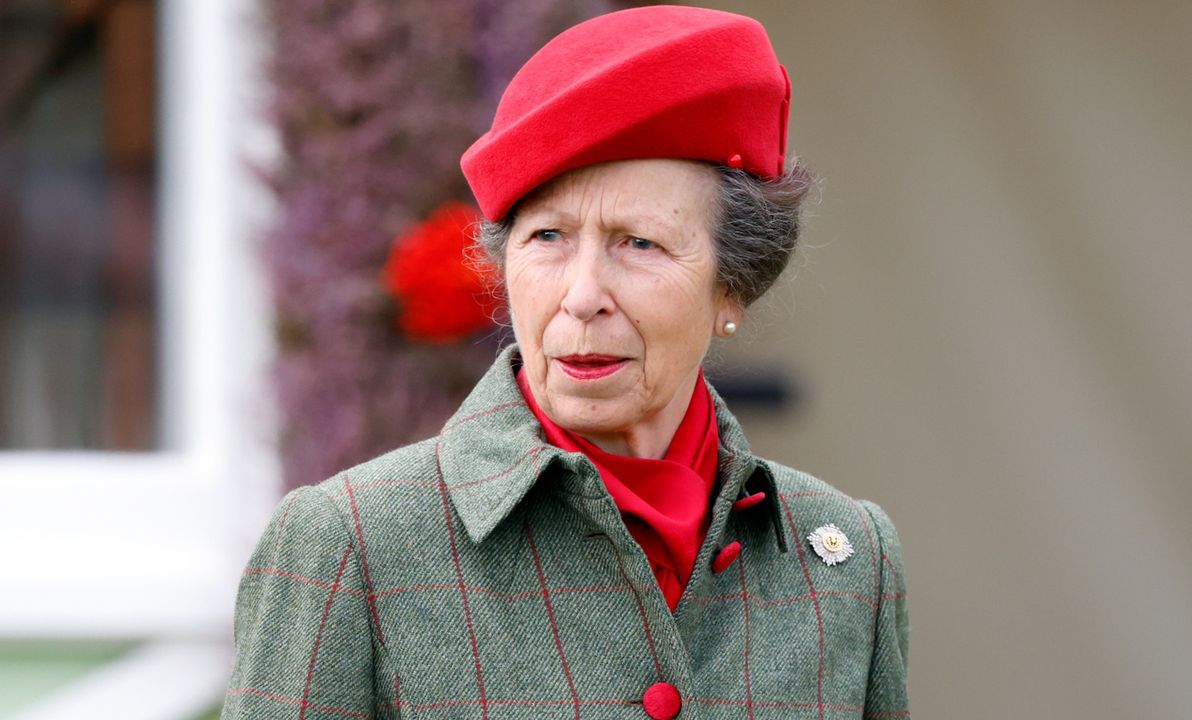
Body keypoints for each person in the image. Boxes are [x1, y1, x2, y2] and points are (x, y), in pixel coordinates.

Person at [222, 6, 907, 719]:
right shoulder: (352, 546)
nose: (582, 297)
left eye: (638, 243)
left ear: (734, 283)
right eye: (547, 236)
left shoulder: (848, 556)